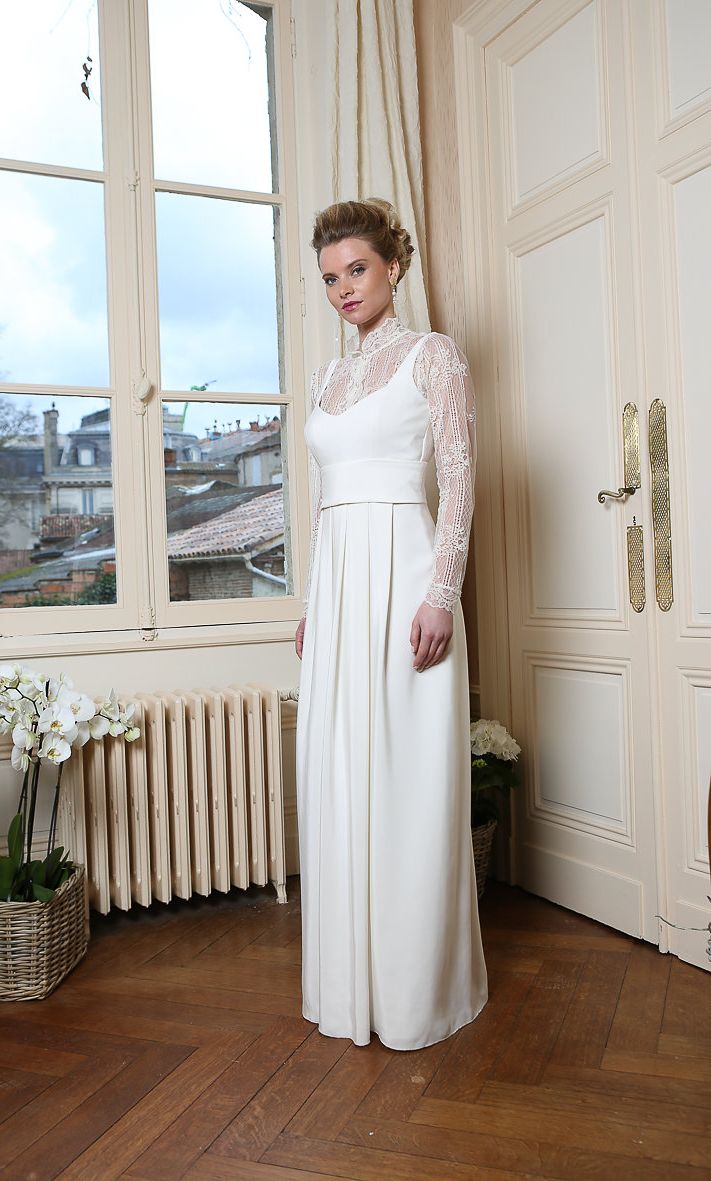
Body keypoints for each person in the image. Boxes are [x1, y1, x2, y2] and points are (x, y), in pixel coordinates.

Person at [295, 198, 488, 1051]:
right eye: (329, 277)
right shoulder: (325, 380)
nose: (343, 288)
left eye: (357, 269)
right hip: (339, 592)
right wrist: (312, 605)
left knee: (406, 777)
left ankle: (414, 992)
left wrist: (441, 591)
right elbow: (320, 505)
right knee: (339, 773)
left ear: (393, 266)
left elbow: (460, 476)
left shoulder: (431, 355)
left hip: (406, 578)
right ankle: (349, 985)